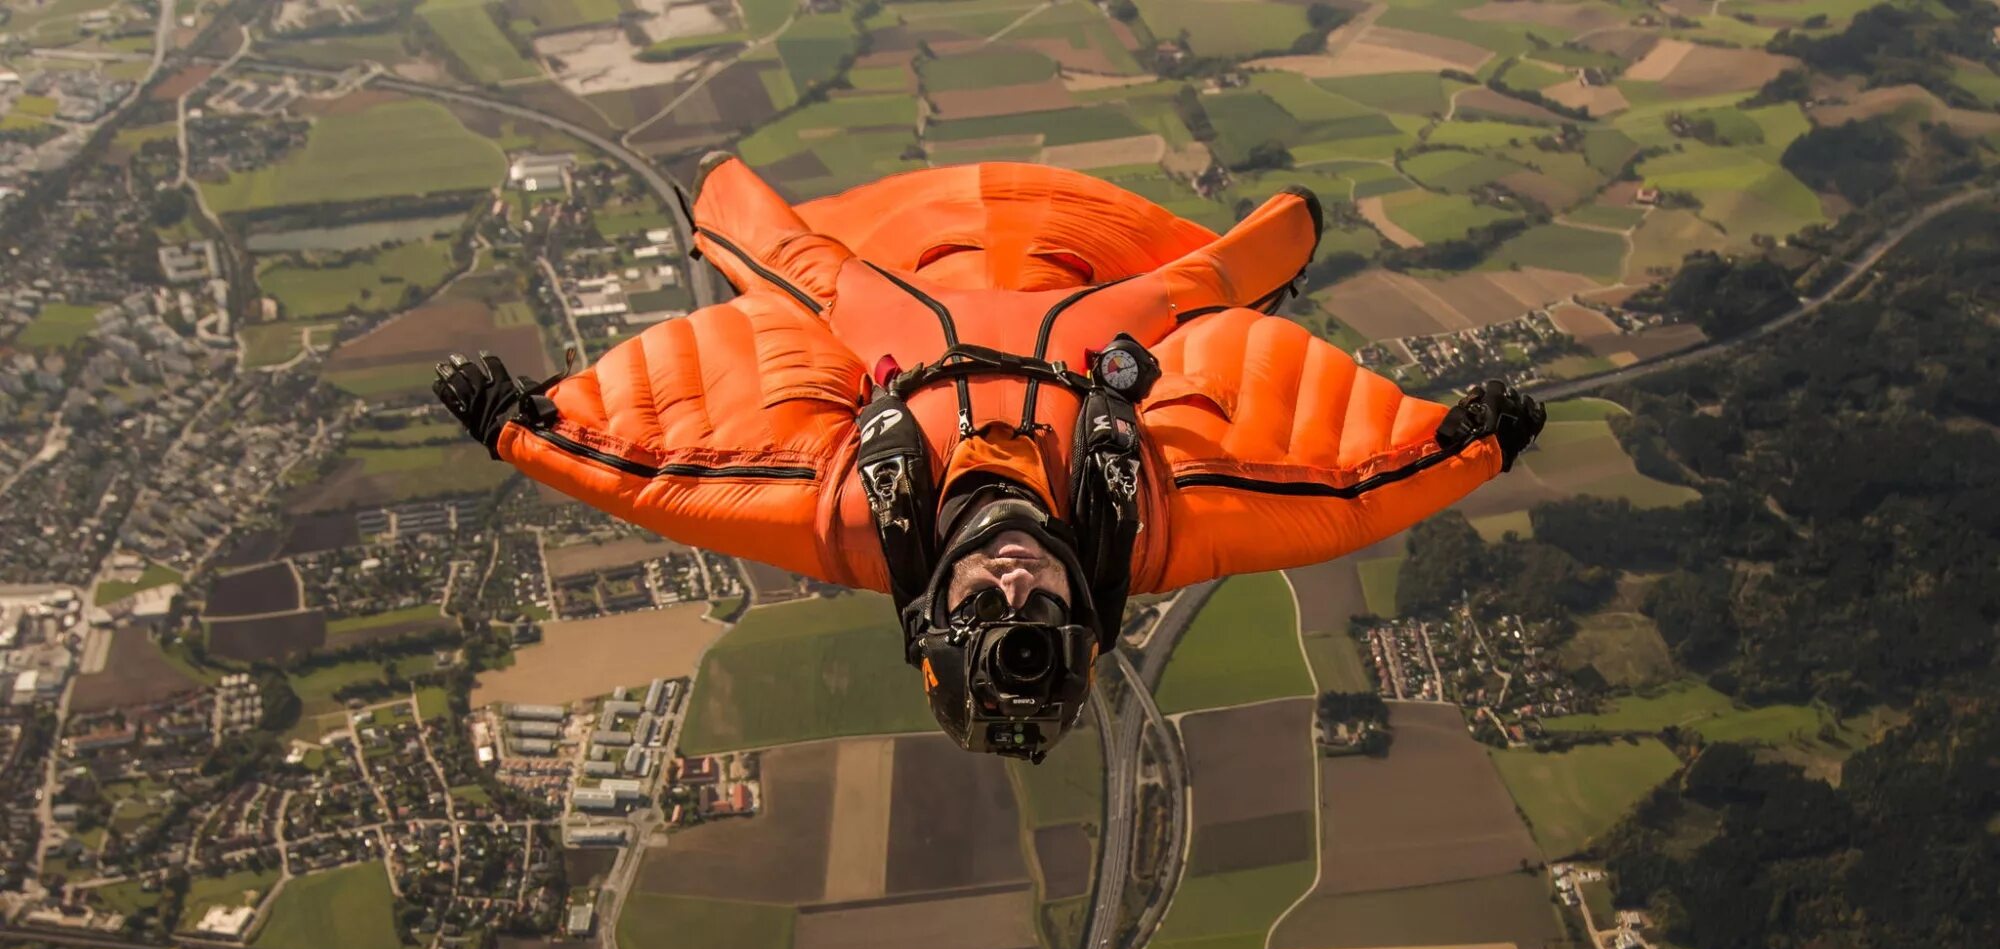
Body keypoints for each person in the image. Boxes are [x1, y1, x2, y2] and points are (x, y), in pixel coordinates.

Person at [435, 157, 1543, 762]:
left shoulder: (849, 516)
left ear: (928, 611)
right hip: (1102, 242)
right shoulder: (1150, 517)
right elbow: (1333, 495)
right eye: (1043, 607)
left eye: (982, 605)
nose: (1014, 577)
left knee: (787, 272)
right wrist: (1462, 444)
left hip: (895, 234)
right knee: (1203, 290)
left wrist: (520, 428)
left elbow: (665, 475)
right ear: (1088, 609)